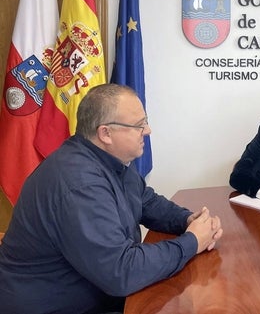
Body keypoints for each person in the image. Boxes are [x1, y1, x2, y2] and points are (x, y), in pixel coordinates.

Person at [0, 84, 223, 314]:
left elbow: (147, 202)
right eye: (139, 125)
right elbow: (121, 271)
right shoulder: (79, 183)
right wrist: (193, 241)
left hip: (98, 292)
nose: (148, 130)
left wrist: (189, 220)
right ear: (105, 133)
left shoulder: (109, 161)